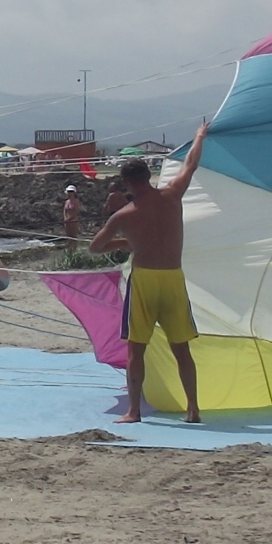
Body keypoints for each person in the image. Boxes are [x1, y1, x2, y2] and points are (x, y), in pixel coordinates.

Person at [91, 122, 209, 424]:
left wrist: (126, 241)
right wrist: (199, 136)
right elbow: (191, 164)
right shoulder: (172, 195)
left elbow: (95, 247)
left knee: (136, 349)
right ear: (148, 177)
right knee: (180, 347)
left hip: (144, 280)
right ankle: (193, 408)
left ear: (126, 184)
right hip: (172, 277)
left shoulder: (124, 215)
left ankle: (134, 411)